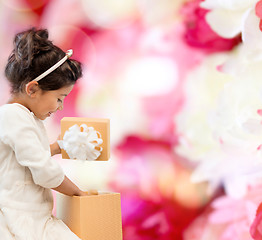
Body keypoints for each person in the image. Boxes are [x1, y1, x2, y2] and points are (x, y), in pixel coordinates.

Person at [0, 27, 86, 239]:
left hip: (33, 215)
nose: (60, 107)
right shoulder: (13, 116)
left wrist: (55, 148)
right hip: (18, 218)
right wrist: (78, 193)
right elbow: (44, 171)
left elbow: (26, 160)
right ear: (32, 89)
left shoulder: (25, 116)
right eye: (59, 98)